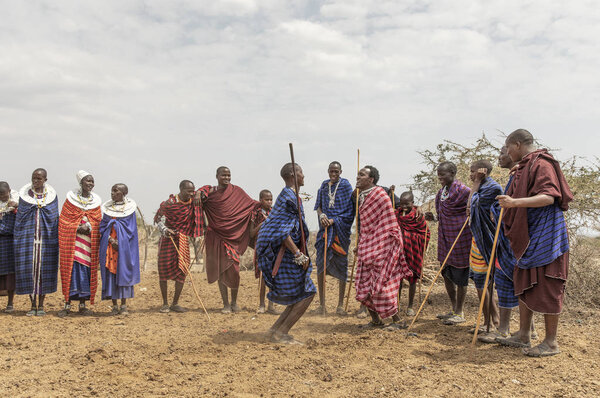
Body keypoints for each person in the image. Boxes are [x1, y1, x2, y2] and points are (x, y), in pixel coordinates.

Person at [496, 129, 572, 357]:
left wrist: (514, 202)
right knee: (524, 279)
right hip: (529, 237)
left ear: (517, 144)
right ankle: (523, 334)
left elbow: (549, 197)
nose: (507, 153)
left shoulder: (542, 163)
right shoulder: (525, 166)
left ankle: (551, 342)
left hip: (547, 237)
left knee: (549, 284)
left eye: (508, 148)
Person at [256, 163, 316, 344]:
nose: (304, 176)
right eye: (301, 172)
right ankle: (281, 333)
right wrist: (298, 254)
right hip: (283, 251)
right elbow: (283, 231)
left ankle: (275, 330)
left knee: (300, 292)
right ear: (292, 175)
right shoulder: (288, 197)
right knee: (308, 292)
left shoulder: (290, 196)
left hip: (282, 251)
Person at [195, 167, 259, 313]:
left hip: (233, 239)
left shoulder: (237, 192)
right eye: (223, 175)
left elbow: (251, 204)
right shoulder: (210, 193)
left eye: (229, 175)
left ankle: (234, 302)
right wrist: (199, 191)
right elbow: (196, 197)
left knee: (235, 270)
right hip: (216, 237)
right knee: (220, 271)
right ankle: (225, 304)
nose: (227, 177)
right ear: (217, 176)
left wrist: (267, 205)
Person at [354, 165, 410, 330]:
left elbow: (389, 223)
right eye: (358, 174)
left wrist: (379, 244)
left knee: (383, 283)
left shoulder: (380, 195)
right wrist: (361, 244)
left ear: (371, 180)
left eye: (361, 175)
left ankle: (397, 320)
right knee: (364, 283)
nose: (357, 177)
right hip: (367, 246)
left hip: (382, 246)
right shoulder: (360, 196)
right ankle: (376, 320)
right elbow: (365, 226)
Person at [425, 161, 472, 325]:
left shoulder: (464, 191)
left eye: (442, 174)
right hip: (445, 238)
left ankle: (460, 312)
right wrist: (433, 218)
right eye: (438, 174)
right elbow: (442, 215)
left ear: (452, 173)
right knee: (446, 273)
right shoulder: (441, 193)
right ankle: (453, 308)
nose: (439, 177)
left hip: (460, 238)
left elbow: (472, 211)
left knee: (460, 275)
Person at [14, 168, 59, 316]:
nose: (35, 181)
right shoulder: (25, 197)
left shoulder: (52, 197)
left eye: (39, 179)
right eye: (33, 178)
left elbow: (53, 217)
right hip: (28, 240)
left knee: (44, 271)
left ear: (45, 180)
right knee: (29, 270)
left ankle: (41, 305)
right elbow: (20, 218)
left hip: (46, 240)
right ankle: (32, 304)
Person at [58, 171, 102, 317]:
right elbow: (63, 222)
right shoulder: (70, 202)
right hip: (73, 244)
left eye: (92, 181)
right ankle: (67, 304)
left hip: (88, 245)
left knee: (87, 273)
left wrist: (89, 227)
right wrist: (77, 228)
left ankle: (83, 305)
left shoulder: (95, 203)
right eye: (87, 181)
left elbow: (97, 222)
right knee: (71, 272)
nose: (90, 184)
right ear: (81, 183)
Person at [154, 180, 202, 313]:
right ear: (181, 189)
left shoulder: (193, 202)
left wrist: (198, 193)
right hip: (167, 239)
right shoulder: (169, 204)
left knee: (182, 270)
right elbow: (158, 219)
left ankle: (175, 303)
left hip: (182, 239)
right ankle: (164, 303)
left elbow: (206, 195)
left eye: (193, 191)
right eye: (189, 191)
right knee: (163, 270)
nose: (191, 193)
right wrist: (165, 230)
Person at [313, 161, 354, 315]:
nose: (333, 173)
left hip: (339, 233)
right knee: (321, 265)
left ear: (341, 172)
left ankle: (340, 305)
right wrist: (322, 215)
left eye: (336, 171)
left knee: (342, 266)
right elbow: (318, 206)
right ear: (328, 171)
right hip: (325, 231)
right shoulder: (324, 186)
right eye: (331, 171)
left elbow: (350, 211)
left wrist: (334, 220)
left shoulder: (346, 186)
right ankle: (322, 305)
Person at [466, 160, 501, 334]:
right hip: (478, 241)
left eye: (473, 172)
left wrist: (477, 182)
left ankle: (492, 322)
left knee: (483, 283)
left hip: (488, 241)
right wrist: (477, 183)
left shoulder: (492, 188)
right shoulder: (482, 187)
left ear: (483, 171)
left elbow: (470, 207)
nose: (471, 175)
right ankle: (491, 320)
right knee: (482, 284)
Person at [99, 184, 140, 315]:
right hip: (110, 247)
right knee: (111, 274)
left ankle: (123, 305)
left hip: (124, 248)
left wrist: (121, 242)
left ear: (124, 193)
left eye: (116, 191)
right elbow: (103, 226)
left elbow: (131, 230)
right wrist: (111, 240)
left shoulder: (129, 210)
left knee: (123, 272)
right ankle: (114, 305)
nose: (112, 193)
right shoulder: (107, 210)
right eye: (112, 190)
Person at [396, 191, 430, 316]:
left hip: (413, 251)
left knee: (412, 280)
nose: (404, 207)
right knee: (398, 279)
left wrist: (409, 237)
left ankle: (410, 306)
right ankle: (396, 304)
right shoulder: (396, 215)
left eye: (407, 204)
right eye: (402, 204)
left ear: (413, 203)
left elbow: (426, 233)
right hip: (399, 252)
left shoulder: (418, 216)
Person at [248, 189, 277, 314]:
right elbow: (251, 233)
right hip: (261, 246)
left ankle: (271, 305)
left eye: (271, 199)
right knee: (263, 277)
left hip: (273, 246)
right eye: (267, 199)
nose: (270, 202)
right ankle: (261, 305)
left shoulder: (275, 212)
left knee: (273, 276)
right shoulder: (255, 213)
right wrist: (263, 223)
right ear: (261, 200)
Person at [0, 182, 18, 312]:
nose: (1, 197)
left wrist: (16, 206)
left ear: (9, 191)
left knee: (10, 274)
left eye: (3, 194)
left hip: (9, 243)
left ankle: (10, 303)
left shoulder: (15, 205)